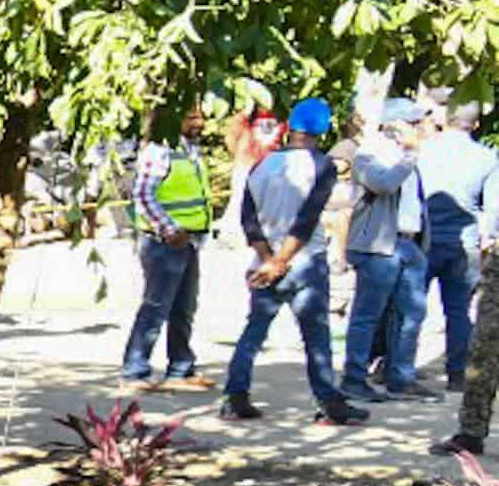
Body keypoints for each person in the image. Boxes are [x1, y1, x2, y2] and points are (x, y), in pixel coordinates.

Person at [224, 98, 361, 425]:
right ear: (323, 130)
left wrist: (267, 258)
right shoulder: (322, 166)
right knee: (316, 336)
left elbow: (249, 218)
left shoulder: (264, 164)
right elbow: (308, 217)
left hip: (264, 259)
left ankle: (235, 396)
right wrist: (282, 260)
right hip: (304, 261)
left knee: (254, 331)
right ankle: (329, 402)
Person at [338, 96, 428, 405]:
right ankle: (354, 378)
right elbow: (383, 183)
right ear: (395, 126)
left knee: (412, 311)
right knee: (368, 314)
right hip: (378, 244)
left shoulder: (409, 156)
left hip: (408, 242)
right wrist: (410, 155)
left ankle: (400, 376)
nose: (420, 128)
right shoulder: (371, 153)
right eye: (413, 122)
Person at [119, 111, 219, 386]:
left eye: (200, 118)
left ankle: (181, 367)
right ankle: (135, 369)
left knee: (184, 307)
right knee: (156, 306)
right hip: (165, 243)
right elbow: (142, 194)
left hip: (189, 241)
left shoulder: (190, 150)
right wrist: (168, 227)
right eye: (191, 118)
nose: (199, 124)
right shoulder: (160, 150)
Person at [415, 101, 491, 392]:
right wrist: (489, 237)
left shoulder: (425, 149)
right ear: (475, 124)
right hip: (464, 241)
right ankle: (458, 374)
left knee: (411, 308)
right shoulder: (487, 158)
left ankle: (398, 367)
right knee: (459, 311)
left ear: (446, 119)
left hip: (425, 237)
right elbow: (493, 207)